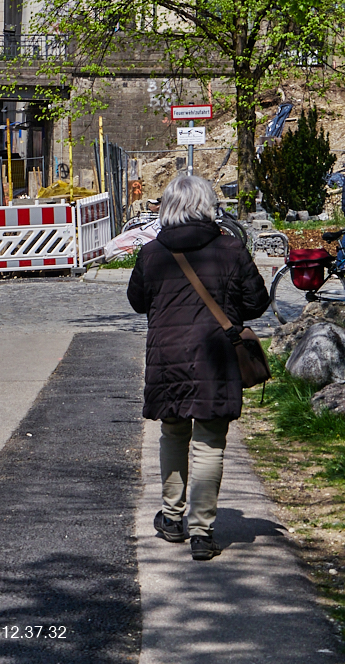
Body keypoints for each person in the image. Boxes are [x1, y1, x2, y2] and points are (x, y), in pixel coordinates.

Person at [127, 174, 269, 560]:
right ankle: (203, 532)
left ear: (169, 207)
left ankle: (173, 518)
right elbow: (256, 303)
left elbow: (137, 302)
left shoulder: (153, 252)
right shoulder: (231, 248)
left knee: (173, 435)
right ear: (208, 205)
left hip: (167, 357)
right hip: (216, 357)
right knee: (209, 441)